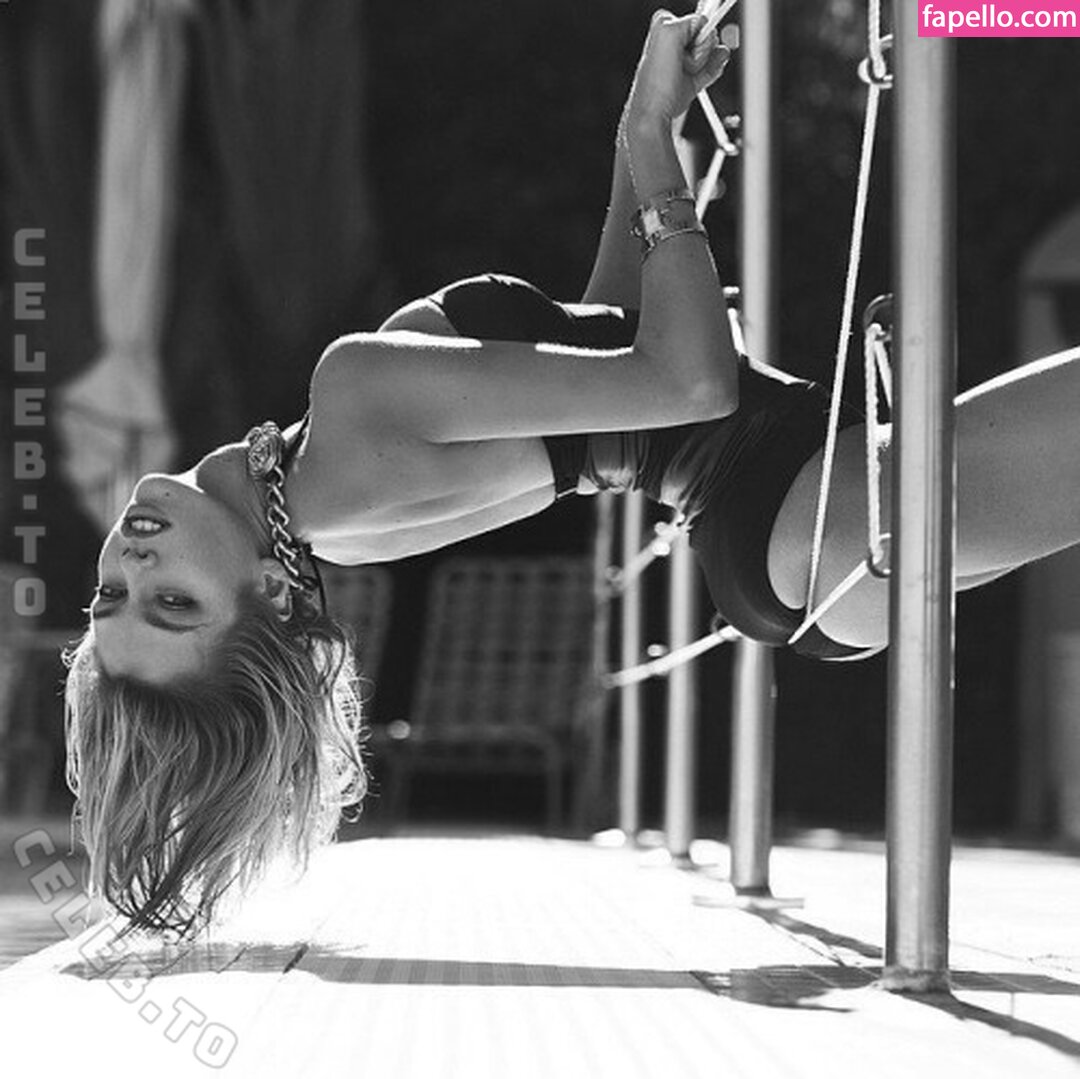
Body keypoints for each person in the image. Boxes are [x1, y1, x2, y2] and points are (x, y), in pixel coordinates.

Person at [65, 11, 1080, 936]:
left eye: (112, 593)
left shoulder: (336, 512)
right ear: (273, 593)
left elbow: (609, 335)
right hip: (802, 507)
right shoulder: (349, 404)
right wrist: (649, 141)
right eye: (174, 603)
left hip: (785, 541)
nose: (135, 563)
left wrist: (646, 134)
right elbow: (687, 382)